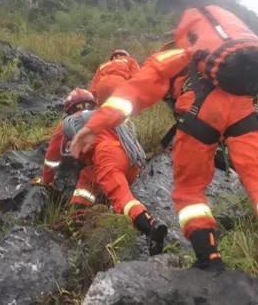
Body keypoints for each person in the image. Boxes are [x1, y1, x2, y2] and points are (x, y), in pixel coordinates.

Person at [71, 6, 258, 302]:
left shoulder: (177, 56)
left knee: (190, 192)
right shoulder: (233, 57)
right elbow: (257, 101)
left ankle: (208, 258)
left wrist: (96, 124)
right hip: (247, 111)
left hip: (199, 115)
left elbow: (133, 94)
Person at [36, 88, 168, 256]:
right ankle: (78, 213)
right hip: (131, 160)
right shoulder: (105, 115)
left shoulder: (68, 123)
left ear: (69, 109)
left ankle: (150, 226)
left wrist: (46, 181)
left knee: (121, 198)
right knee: (87, 176)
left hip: (107, 158)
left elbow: (51, 158)